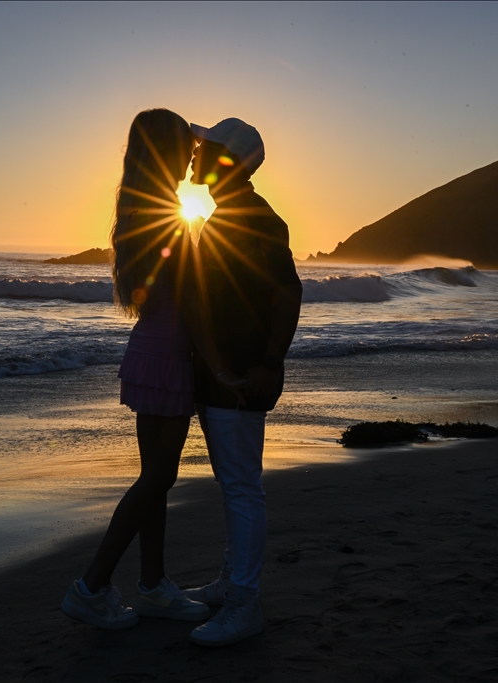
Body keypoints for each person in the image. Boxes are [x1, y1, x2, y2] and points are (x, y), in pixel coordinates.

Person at [61, 109, 240, 629]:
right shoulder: (167, 217)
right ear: (166, 151)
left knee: (155, 478)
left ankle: (153, 584)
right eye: (185, 147)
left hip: (148, 353)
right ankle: (90, 587)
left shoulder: (140, 210)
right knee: (158, 478)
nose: (192, 155)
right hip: (166, 357)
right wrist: (221, 368)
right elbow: (192, 307)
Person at [182, 118, 303, 646]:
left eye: (203, 149)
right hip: (226, 375)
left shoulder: (255, 219)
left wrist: (269, 363)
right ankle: (234, 582)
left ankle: (244, 602)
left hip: (240, 376)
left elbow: (287, 294)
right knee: (235, 485)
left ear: (228, 161)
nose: (193, 156)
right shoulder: (230, 215)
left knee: (242, 488)